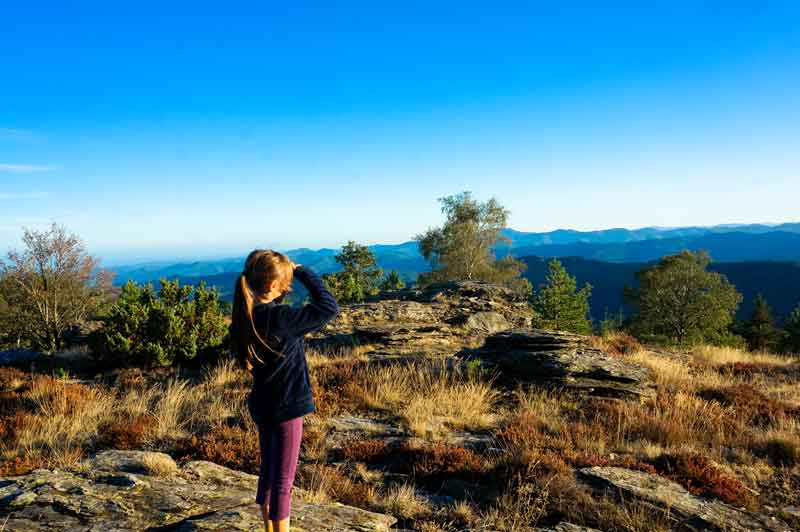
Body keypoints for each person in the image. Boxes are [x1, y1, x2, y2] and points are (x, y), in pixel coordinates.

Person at [229, 249, 339, 532]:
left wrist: (283, 277)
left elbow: (275, 307)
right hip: (287, 407)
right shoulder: (283, 319)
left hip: (263, 406)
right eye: (286, 284)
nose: (289, 288)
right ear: (271, 287)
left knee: (268, 472)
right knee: (283, 482)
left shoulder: (246, 318)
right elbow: (328, 307)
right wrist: (302, 271)